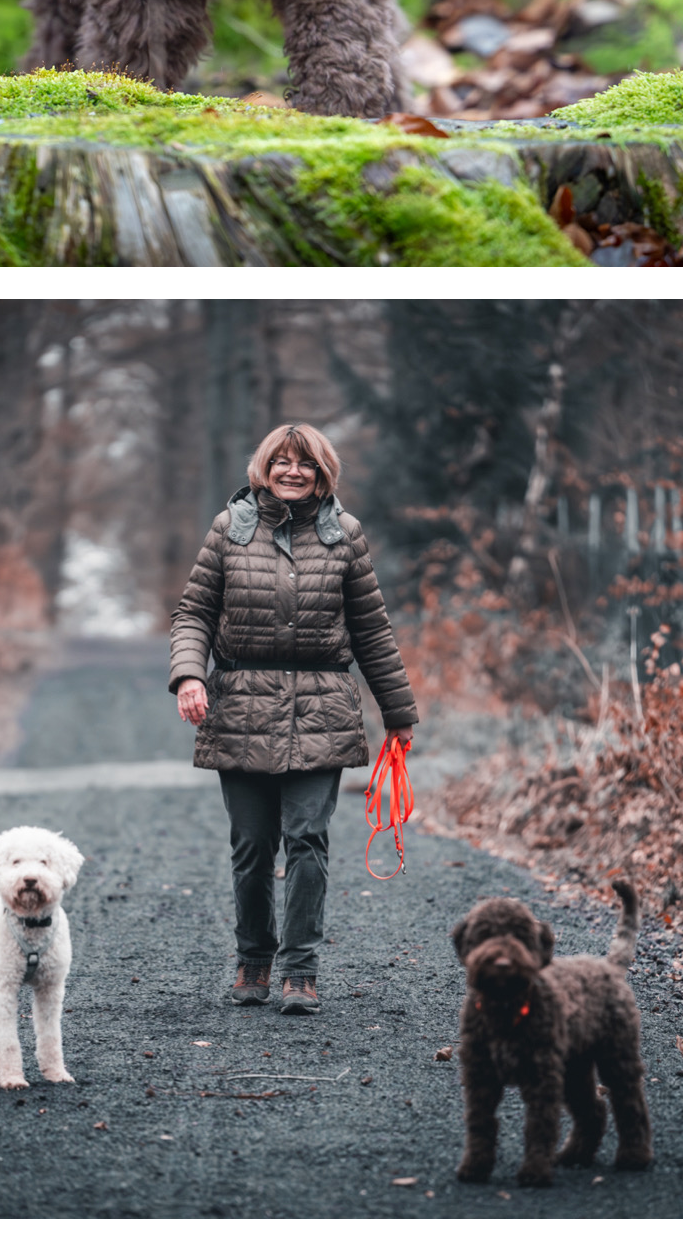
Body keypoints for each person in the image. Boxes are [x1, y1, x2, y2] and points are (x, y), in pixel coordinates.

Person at [169, 423, 417, 1015]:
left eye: (304, 463)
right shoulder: (230, 528)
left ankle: (299, 972)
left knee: (307, 838)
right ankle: (254, 960)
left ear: (321, 471)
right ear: (264, 467)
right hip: (241, 702)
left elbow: (372, 632)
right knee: (252, 845)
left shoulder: (345, 535)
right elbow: (193, 613)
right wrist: (189, 676)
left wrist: (399, 713)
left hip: (323, 706)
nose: (292, 471)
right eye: (281, 461)